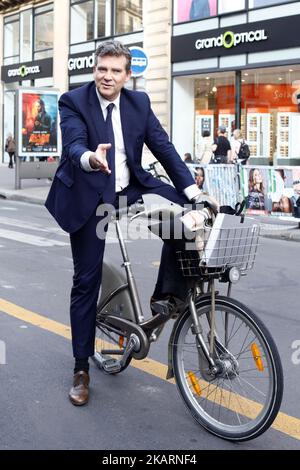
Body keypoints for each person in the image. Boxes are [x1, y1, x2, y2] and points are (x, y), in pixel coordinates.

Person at [45, 41, 215, 406]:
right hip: (89, 194)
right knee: (86, 280)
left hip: (129, 189)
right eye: (102, 69)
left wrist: (192, 191)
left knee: (185, 223)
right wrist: (91, 158)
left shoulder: (138, 104)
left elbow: (164, 148)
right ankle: (80, 368)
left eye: (115, 70)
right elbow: (74, 145)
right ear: (95, 68)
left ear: (127, 74)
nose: (107, 76)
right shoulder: (73, 101)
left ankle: (166, 298)